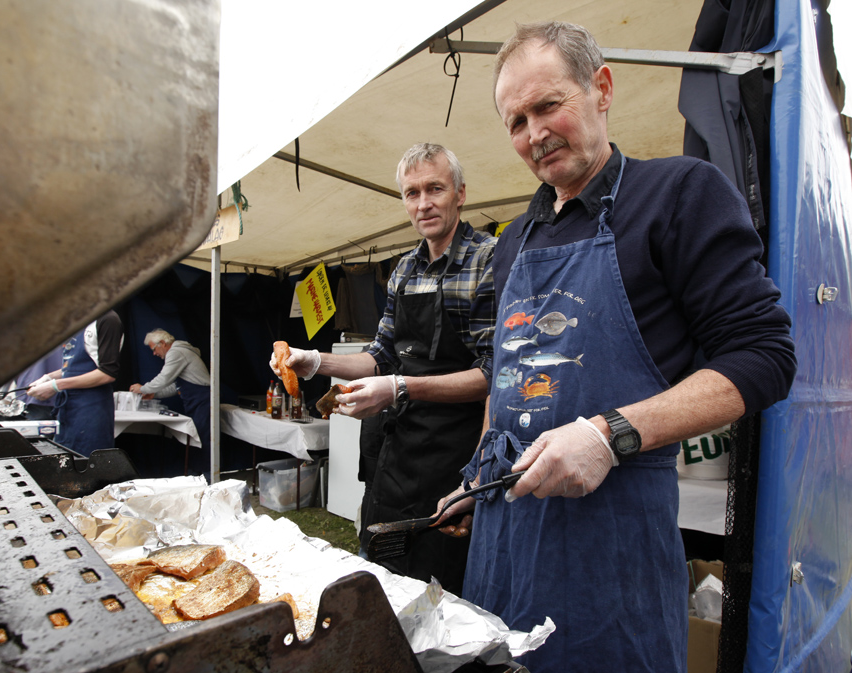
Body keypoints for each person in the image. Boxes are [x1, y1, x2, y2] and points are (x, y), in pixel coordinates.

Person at [432, 22, 797, 672]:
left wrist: (608, 435)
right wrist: (476, 473)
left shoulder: (679, 195)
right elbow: (505, 370)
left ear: (601, 88)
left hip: (611, 550)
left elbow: (764, 355)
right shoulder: (511, 241)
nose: (535, 134)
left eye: (548, 105)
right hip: (503, 540)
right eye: (516, 122)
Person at [272, 143, 496, 594]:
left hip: (453, 455)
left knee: (439, 591)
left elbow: (494, 374)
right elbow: (380, 356)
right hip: (397, 453)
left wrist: (399, 388)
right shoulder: (404, 269)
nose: (423, 203)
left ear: (460, 194)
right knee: (380, 578)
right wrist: (314, 361)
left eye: (435, 189)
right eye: (412, 193)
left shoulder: (488, 260)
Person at [28, 310, 124, 457]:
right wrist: (48, 378)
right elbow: (73, 368)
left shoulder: (107, 319)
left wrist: (56, 386)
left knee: (87, 460)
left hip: (91, 408)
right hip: (69, 407)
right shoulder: (76, 321)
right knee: (64, 459)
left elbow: (107, 373)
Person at [130, 329, 212, 450]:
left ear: (163, 343)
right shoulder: (180, 352)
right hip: (198, 401)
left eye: (154, 349)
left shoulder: (176, 352)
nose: (154, 354)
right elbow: (176, 386)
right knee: (198, 438)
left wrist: (143, 388)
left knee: (202, 438)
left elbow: (164, 379)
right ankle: (202, 462)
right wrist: (154, 394)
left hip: (202, 401)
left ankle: (207, 463)